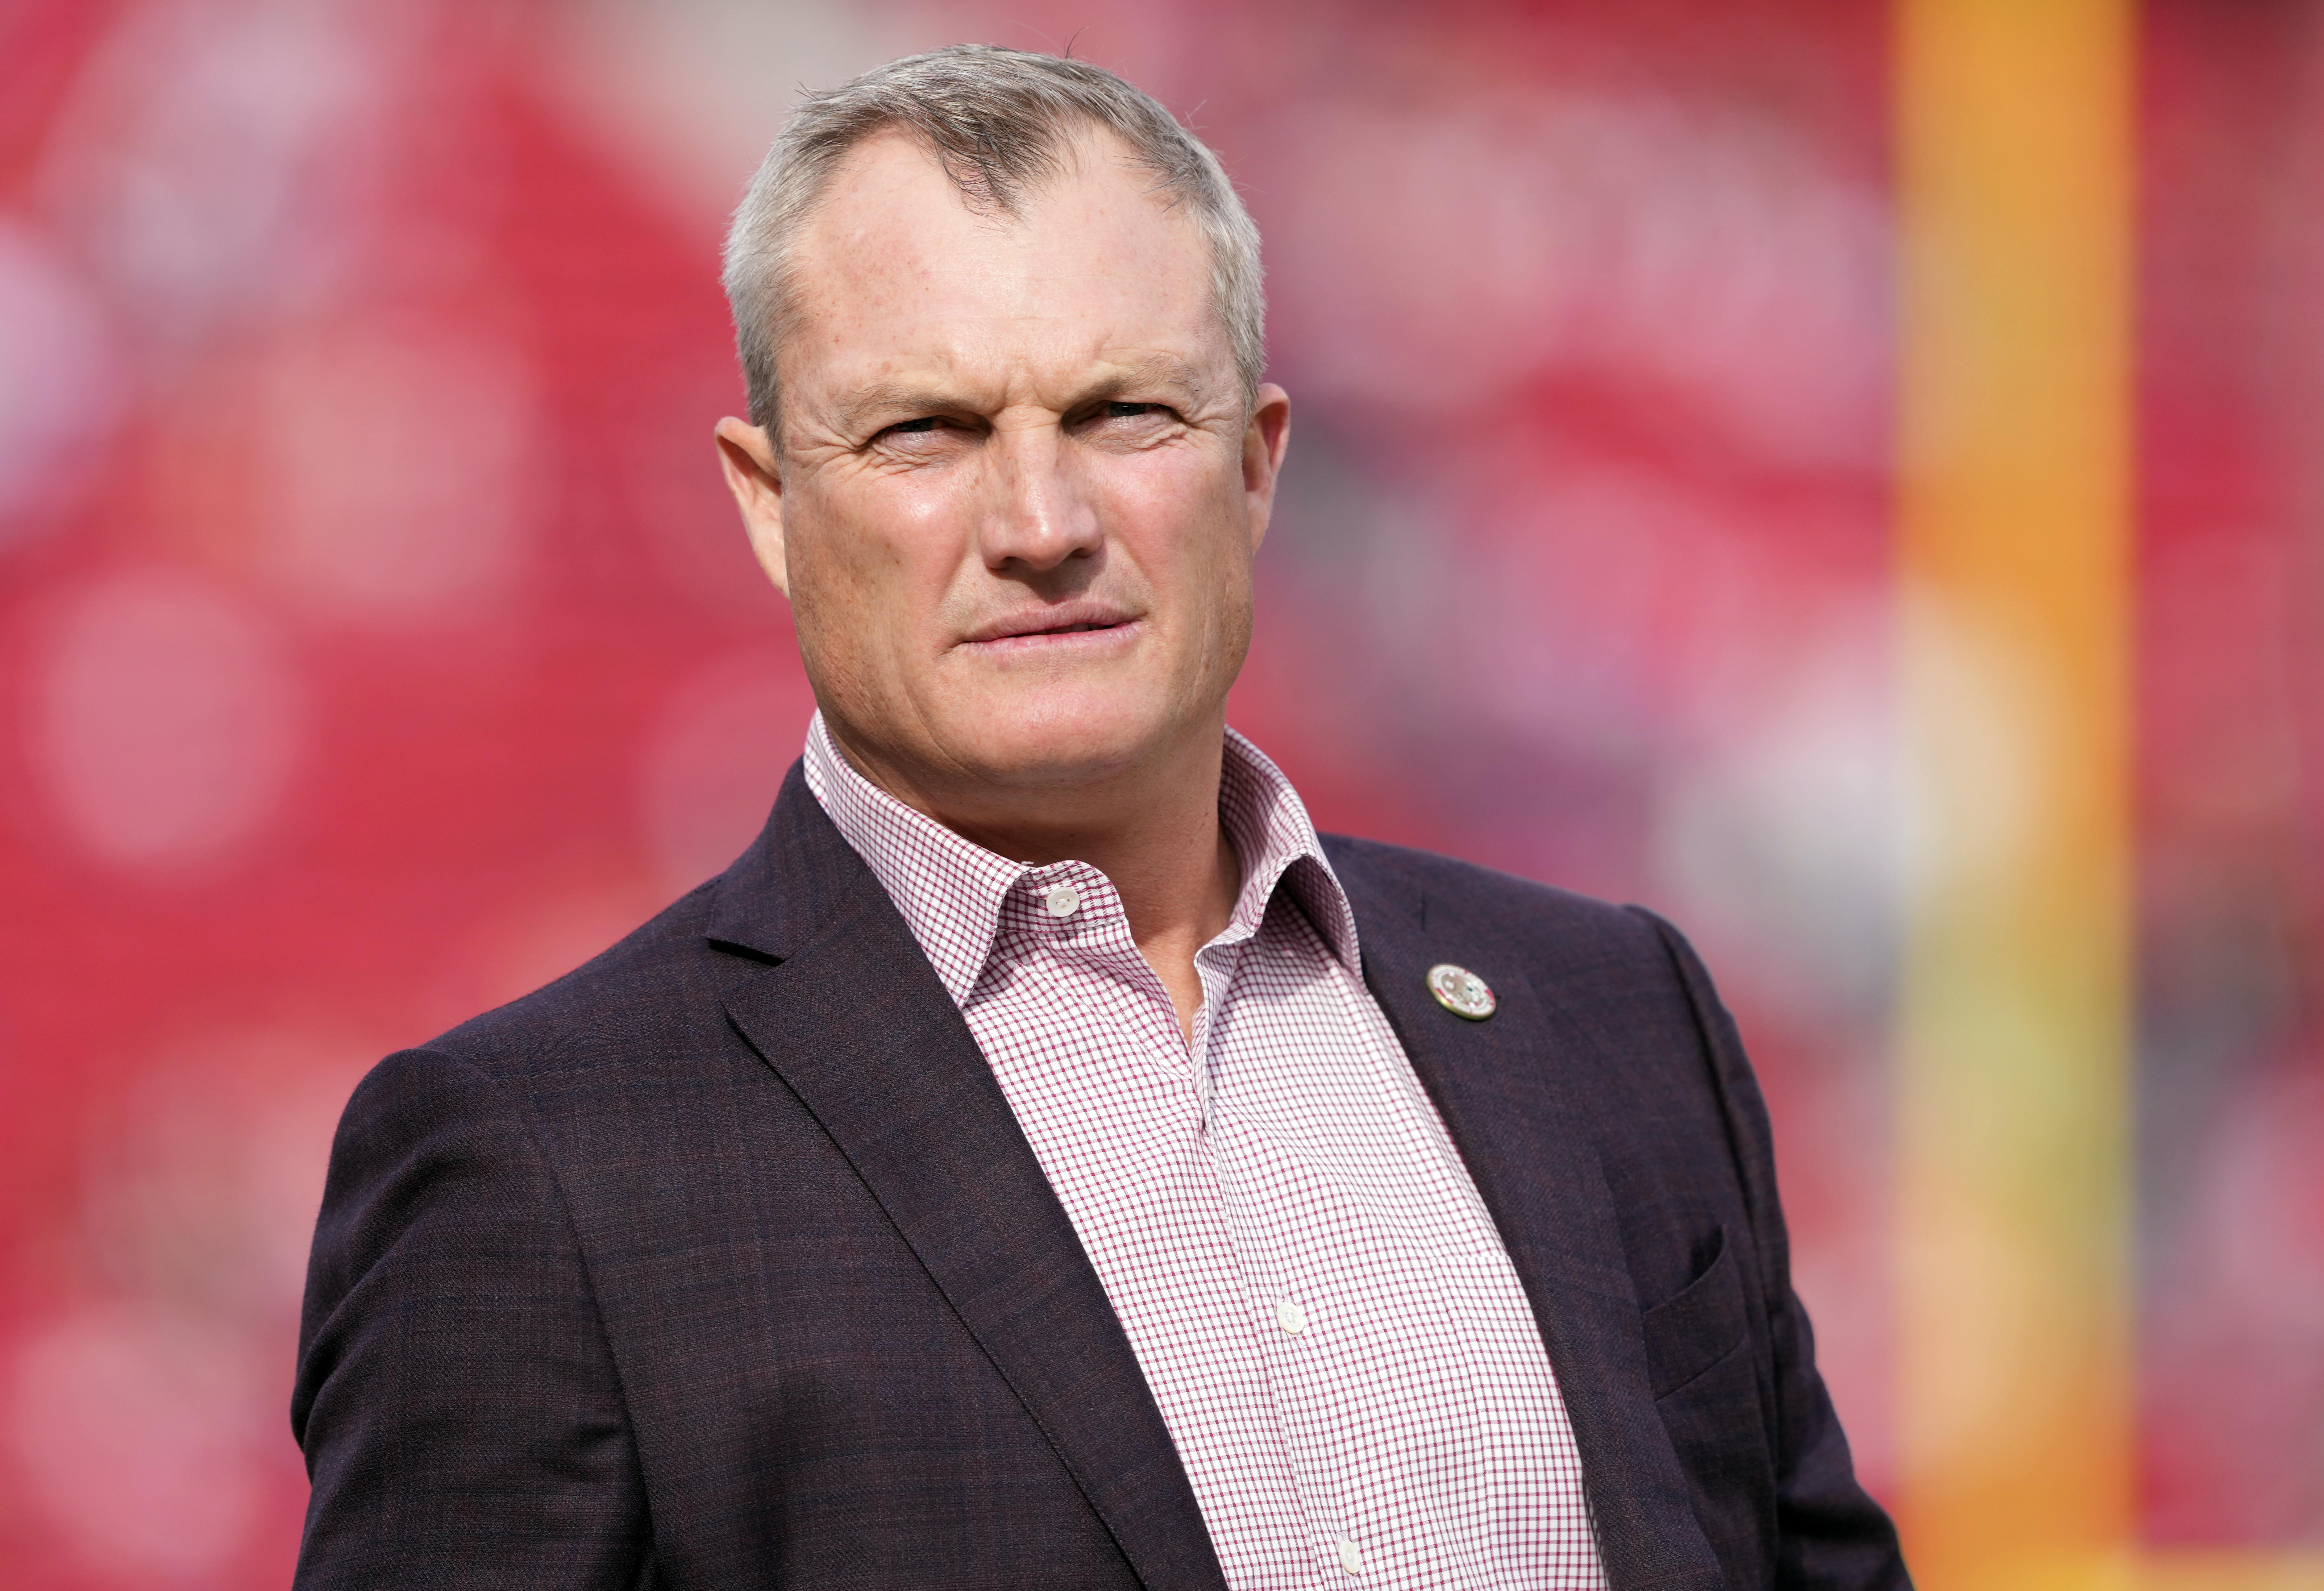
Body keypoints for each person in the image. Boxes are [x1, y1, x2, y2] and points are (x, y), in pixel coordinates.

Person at [291, 44, 1907, 1591]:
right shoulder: (545, 1161)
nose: (1040, 523)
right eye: (924, 432)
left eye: (1124, 414)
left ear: (1258, 466)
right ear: (771, 500)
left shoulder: (1610, 1013)